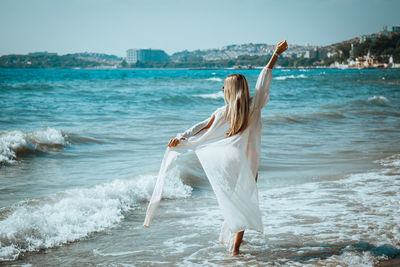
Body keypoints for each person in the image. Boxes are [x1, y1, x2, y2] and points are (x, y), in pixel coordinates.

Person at [144, 40, 288, 256]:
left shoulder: (223, 111)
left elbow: (201, 126)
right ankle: (236, 250)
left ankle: (234, 243)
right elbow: (263, 80)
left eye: (224, 87)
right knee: (242, 203)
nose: (222, 89)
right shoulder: (254, 105)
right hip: (247, 162)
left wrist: (181, 137)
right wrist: (275, 54)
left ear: (230, 90)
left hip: (227, 161)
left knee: (234, 204)